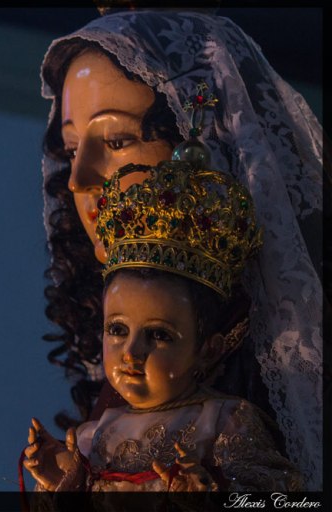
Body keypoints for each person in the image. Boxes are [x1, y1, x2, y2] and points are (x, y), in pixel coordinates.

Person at [37, 8, 323, 489]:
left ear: (207, 147)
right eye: (70, 150)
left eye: (118, 140)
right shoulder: (117, 394)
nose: (79, 179)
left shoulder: (269, 386)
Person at [24, 160, 304, 493]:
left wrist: (207, 490)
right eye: (117, 330)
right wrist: (62, 481)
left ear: (208, 350)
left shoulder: (223, 421)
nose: (131, 352)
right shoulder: (90, 436)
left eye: (158, 335)